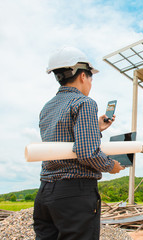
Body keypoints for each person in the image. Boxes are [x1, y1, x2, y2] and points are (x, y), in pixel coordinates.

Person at [33, 46, 124, 240]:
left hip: (45, 193)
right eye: (91, 78)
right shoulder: (84, 102)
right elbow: (87, 152)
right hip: (75, 194)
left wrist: (95, 128)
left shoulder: (47, 108)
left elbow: (61, 140)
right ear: (83, 76)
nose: (91, 83)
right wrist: (111, 166)